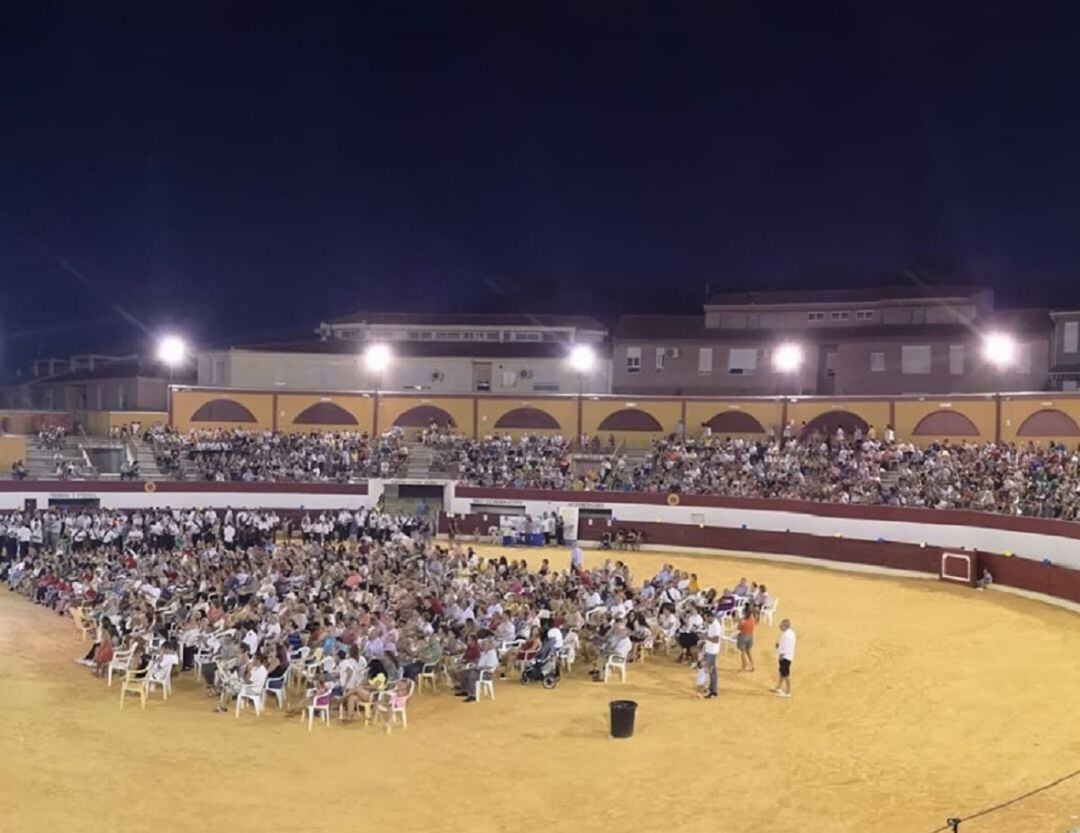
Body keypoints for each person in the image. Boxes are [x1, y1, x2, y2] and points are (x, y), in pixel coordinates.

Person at [774, 618, 796, 698]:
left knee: (786, 674)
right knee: (781, 672)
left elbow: (786, 647)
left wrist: (781, 655)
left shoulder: (786, 635)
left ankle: (788, 692)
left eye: (781, 625)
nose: (779, 626)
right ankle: (779, 687)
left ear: (785, 626)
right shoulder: (790, 633)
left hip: (785, 657)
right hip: (787, 656)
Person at [702, 611, 721, 698]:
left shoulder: (716, 626)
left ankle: (712, 691)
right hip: (710, 649)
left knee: (709, 670)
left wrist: (705, 637)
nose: (705, 619)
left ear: (710, 617)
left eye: (706, 618)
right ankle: (712, 688)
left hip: (712, 651)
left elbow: (716, 640)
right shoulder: (712, 624)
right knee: (712, 671)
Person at [736, 607, 755, 672]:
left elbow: (738, 628)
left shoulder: (742, 620)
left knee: (743, 652)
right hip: (751, 636)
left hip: (743, 636)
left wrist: (739, 621)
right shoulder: (752, 618)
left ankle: (744, 667)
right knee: (749, 651)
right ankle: (753, 665)